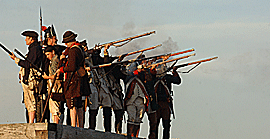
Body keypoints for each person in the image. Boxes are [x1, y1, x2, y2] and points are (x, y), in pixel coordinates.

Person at [56, 30, 90, 127]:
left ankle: (74, 126)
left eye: (66, 42)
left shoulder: (73, 50)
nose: (65, 44)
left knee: (72, 105)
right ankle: (80, 126)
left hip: (72, 81)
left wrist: (62, 68)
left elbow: (71, 67)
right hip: (78, 80)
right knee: (78, 105)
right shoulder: (79, 49)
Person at [9, 30, 43, 123]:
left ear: (31, 39)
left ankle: (31, 122)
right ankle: (31, 121)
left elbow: (28, 64)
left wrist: (16, 60)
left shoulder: (35, 49)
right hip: (33, 79)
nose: (25, 40)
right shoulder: (36, 49)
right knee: (31, 101)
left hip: (31, 79)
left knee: (30, 102)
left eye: (27, 38)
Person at [154, 64, 181, 139]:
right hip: (157, 103)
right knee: (155, 125)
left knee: (166, 125)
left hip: (165, 103)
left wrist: (174, 71)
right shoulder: (153, 77)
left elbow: (177, 81)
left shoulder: (167, 78)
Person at [42, 46, 63, 124]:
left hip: (55, 87)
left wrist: (47, 77)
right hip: (56, 86)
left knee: (55, 108)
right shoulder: (56, 60)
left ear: (53, 52)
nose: (47, 57)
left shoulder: (54, 61)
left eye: (48, 54)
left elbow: (56, 76)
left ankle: (56, 123)